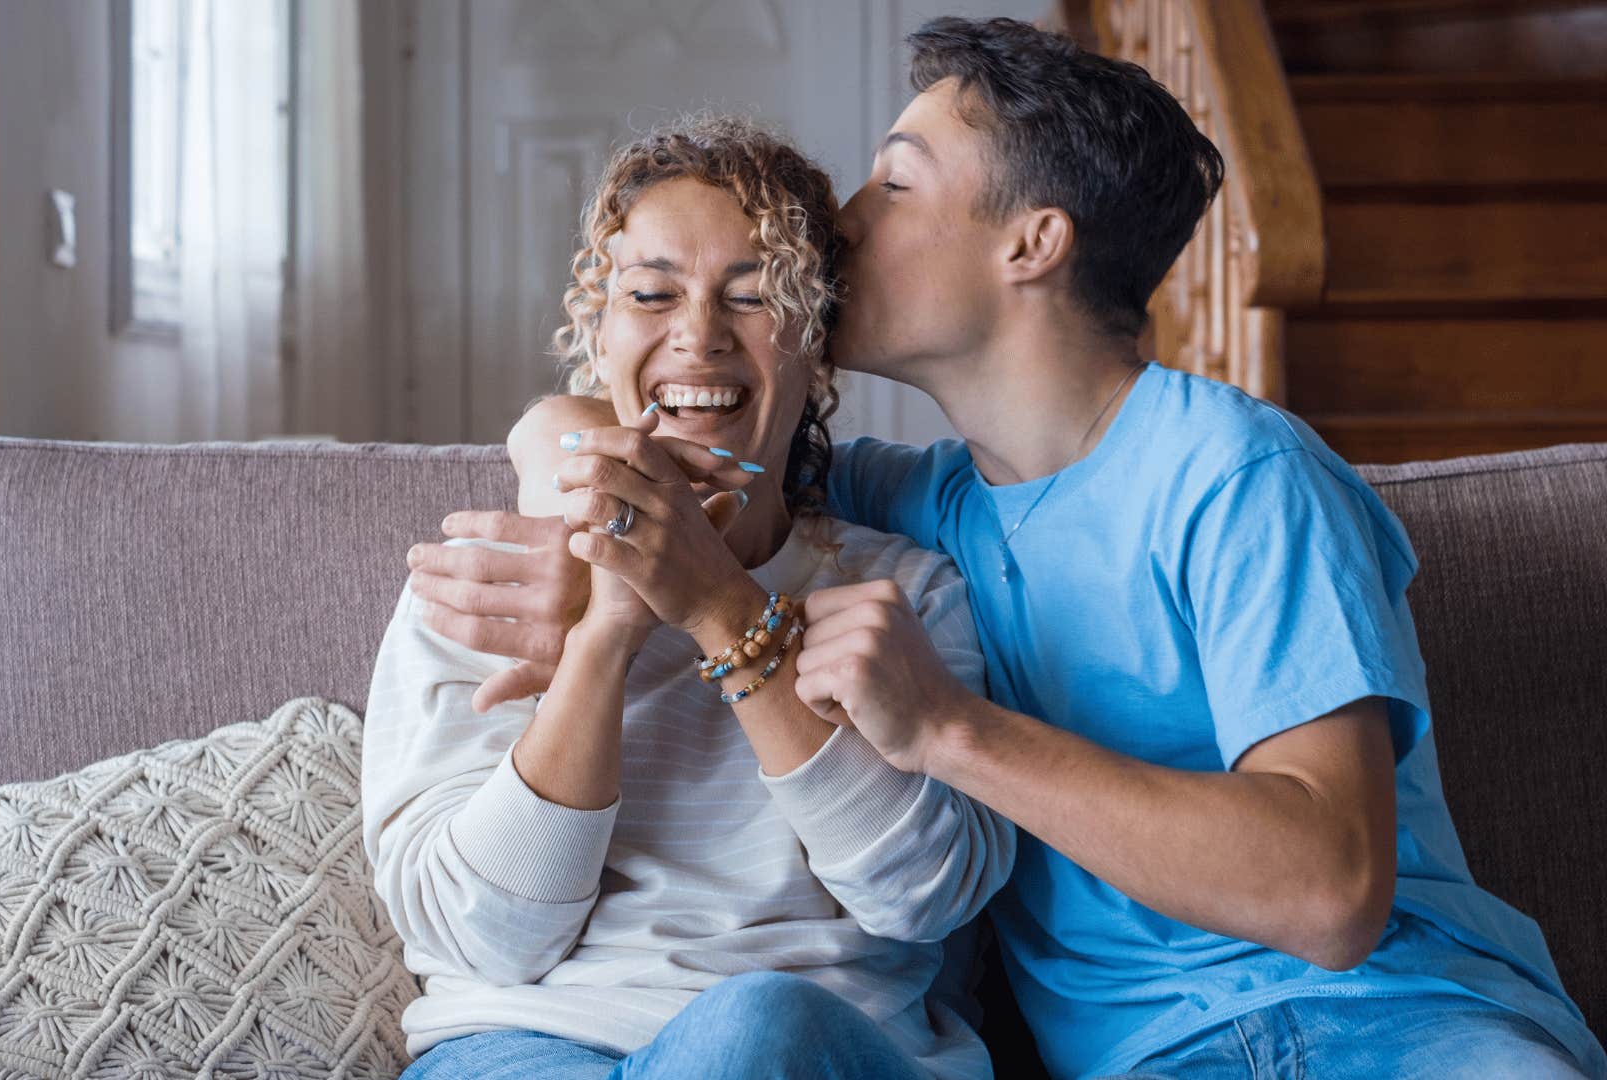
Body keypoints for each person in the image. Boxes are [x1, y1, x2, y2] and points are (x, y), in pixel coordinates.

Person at [408, 17, 1607, 1080]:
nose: (842, 222)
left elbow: (1332, 893)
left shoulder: (1239, 474)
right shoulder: (919, 507)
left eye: (894, 182)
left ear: (1030, 245)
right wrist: (581, 498)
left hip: (1391, 1022)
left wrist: (948, 729)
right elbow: (694, 435)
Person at [365, 115, 1015, 1080]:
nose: (698, 336)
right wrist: (604, 628)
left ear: (816, 352)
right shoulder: (489, 581)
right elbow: (484, 939)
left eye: (753, 298)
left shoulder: (904, 588)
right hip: (521, 1048)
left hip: (804, 1047)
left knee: (755, 1027)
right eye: (652, 293)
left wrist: (719, 607)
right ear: (599, 331)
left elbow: (923, 896)